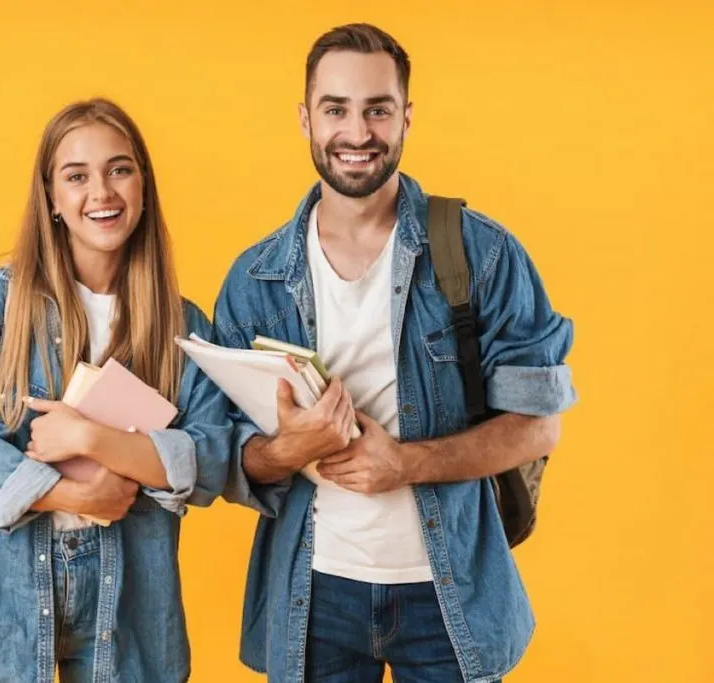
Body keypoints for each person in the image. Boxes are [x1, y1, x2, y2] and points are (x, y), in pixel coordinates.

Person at [216, 24, 576, 683]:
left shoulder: (481, 254)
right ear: (305, 118)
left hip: (450, 597)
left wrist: (405, 463)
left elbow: (540, 424)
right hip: (314, 594)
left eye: (378, 109)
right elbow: (228, 459)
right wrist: (288, 450)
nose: (358, 133)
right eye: (336, 109)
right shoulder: (255, 279)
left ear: (406, 115)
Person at [0, 98, 231, 683]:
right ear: (52, 200)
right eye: (76, 176)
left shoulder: (181, 328)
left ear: (142, 185)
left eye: (119, 169)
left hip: (132, 601)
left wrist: (92, 438)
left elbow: (210, 458)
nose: (101, 193)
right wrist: (73, 496)